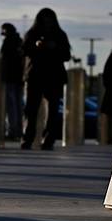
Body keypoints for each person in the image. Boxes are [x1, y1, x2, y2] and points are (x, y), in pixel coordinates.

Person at [21, 8, 71, 150]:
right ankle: (28, 138)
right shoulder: (32, 34)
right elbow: (24, 50)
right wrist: (36, 46)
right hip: (36, 75)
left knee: (52, 111)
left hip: (53, 75)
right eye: (45, 19)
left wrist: (54, 47)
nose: (47, 22)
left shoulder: (60, 35)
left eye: (50, 19)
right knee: (31, 109)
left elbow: (66, 55)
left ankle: (48, 139)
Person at [0, 23, 24, 139]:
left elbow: (3, 58)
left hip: (10, 76)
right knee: (18, 105)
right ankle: (18, 130)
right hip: (19, 77)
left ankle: (12, 130)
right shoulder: (20, 41)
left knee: (11, 105)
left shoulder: (9, 41)